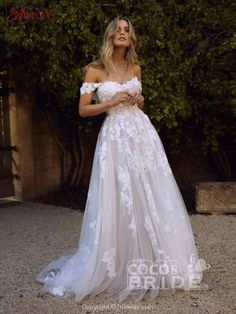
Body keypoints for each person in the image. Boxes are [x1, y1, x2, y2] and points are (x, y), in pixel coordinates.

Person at [36, 16, 203, 304]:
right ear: (111, 35)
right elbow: (83, 110)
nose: (123, 33)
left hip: (143, 136)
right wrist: (111, 102)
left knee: (149, 193)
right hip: (114, 138)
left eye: (127, 31)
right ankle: (117, 263)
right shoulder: (95, 71)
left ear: (131, 38)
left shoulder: (135, 67)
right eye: (119, 30)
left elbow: (141, 100)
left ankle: (153, 259)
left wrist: (139, 101)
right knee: (118, 196)